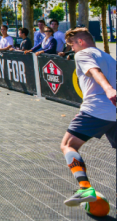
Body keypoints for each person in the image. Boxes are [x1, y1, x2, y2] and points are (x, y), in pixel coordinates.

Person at [59, 27, 116, 207]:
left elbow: (94, 71)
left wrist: (108, 89)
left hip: (97, 109)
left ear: (80, 42)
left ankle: (84, 188)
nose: (72, 50)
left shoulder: (83, 54)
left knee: (68, 145)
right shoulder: (109, 57)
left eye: (72, 45)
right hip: (113, 111)